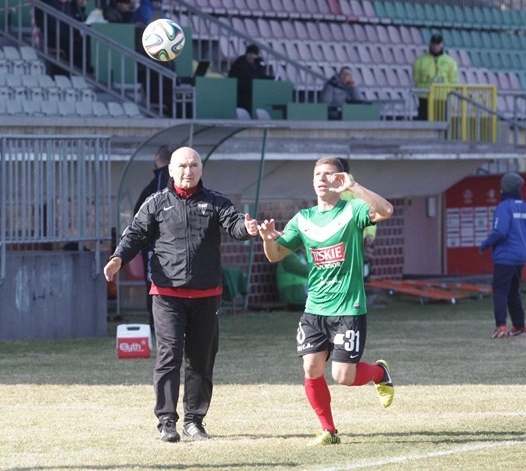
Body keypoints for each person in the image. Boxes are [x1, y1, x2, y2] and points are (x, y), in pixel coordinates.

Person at [104, 147, 259, 443]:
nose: (188, 171)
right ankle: (166, 421)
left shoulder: (216, 202)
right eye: (182, 166)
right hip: (166, 294)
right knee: (169, 355)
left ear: (201, 169)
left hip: (206, 294)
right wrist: (117, 259)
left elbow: (235, 224)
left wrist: (248, 228)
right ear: (171, 171)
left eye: (194, 165)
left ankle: (194, 420)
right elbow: (134, 235)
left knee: (201, 359)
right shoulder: (155, 203)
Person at [257, 156, 395, 446]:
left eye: (329, 174)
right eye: (317, 174)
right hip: (314, 310)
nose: (321, 178)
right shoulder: (303, 219)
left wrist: (354, 187)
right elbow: (275, 255)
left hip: (348, 308)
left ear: (340, 179)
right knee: (311, 368)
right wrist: (269, 239)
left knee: (343, 376)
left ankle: (379, 373)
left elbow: (386, 210)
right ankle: (328, 431)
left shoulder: (353, 210)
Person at [479, 172, 526, 339]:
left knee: (500, 290)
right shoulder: (523, 205)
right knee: (513, 290)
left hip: (505, 255)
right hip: (521, 255)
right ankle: (519, 325)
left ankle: (500, 326)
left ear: (504, 188)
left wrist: (485, 244)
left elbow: (501, 230)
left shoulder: (504, 206)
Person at [132, 145, 173, 328]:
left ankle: (159, 325)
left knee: (156, 286)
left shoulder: (160, 183)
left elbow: (142, 217)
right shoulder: (170, 183)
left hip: (158, 247)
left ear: (158, 159)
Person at [337, 157, 377, 281]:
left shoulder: (337, 191)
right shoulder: (358, 189)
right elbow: (371, 211)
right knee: (361, 270)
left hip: (348, 237)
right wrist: (370, 234)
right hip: (362, 236)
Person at [412, 34, 458, 120]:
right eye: (433, 44)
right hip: (425, 97)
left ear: (442, 45)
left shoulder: (450, 62)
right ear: (430, 44)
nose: (435, 46)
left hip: (442, 98)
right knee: (424, 122)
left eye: (437, 44)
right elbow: (416, 79)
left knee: (441, 122)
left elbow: (453, 80)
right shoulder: (420, 61)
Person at [228, 44, 269, 114]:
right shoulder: (240, 62)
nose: (251, 56)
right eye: (250, 54)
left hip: (251, 89)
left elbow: (261, 74)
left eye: (254, 54)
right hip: (239, 90)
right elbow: (250, 76)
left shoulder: (259, 61)